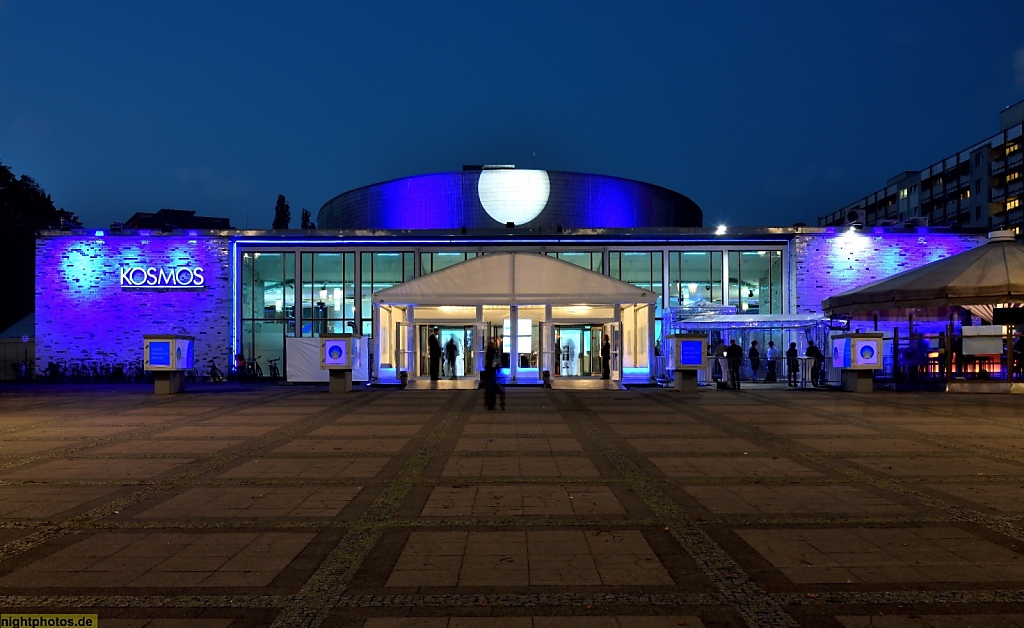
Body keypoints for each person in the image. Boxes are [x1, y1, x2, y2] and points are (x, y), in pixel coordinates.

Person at [483, 339, 505, 410]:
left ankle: (489, 405)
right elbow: (495, 364)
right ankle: (495, 405)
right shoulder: (492, 353)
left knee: (489, 391)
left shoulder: (487, 354)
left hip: (489, 376)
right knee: (496, 391)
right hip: (492, 375)